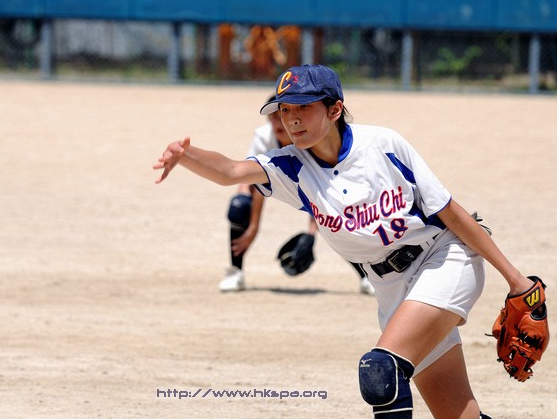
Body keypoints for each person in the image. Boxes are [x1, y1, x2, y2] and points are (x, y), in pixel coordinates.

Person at [154, 64, 537, 419]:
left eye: (303, 107)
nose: (292, 119)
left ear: (335, 109)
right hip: (391, 289)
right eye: (285, 110)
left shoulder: (383, 144)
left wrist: (519, 284)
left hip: (443, 259)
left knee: (381, 370)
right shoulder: (292, 167)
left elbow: (451, 213)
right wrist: (186, 155)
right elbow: (231, 170)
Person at [221, 95, 375, 296]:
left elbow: (322, 189)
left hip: (314, 182)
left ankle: (367, 275)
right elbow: (254, 182)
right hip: (270, 179)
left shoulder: (308, 135)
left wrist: (312, 231)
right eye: (274, 117)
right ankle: (235, 271)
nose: (278, 122)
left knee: (335, 218)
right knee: (239, 206)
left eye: (281, 115)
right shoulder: (264, 137)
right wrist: (253, 228)